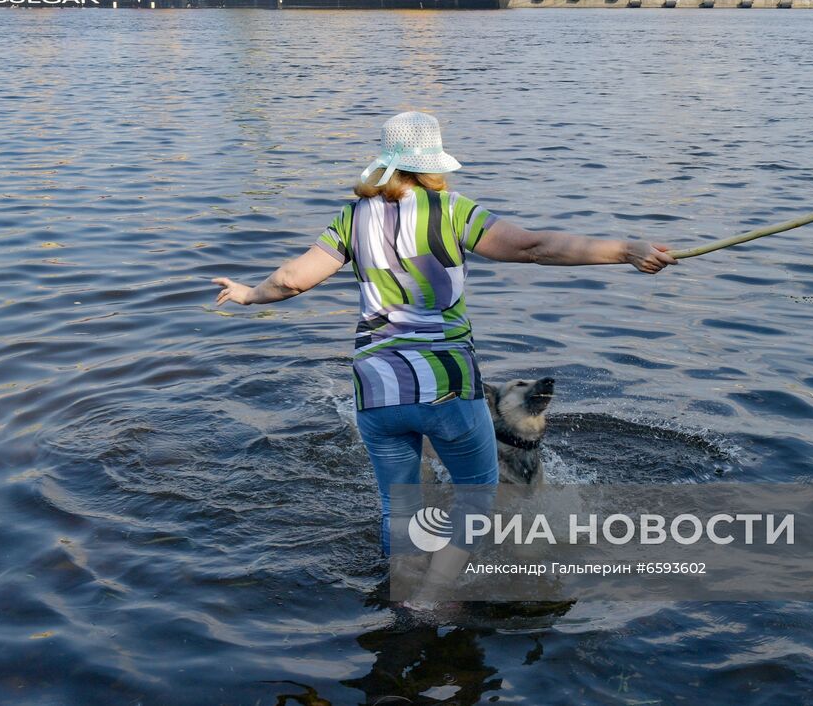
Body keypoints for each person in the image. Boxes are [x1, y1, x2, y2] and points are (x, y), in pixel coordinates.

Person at [211, 112, 674, 600]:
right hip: (445, 383)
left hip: (377, 387)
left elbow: (290, 280)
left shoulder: (352, 218)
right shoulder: (452, 211)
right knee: (476, 494)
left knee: (400, 507)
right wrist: (624, 249)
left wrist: (246, 295)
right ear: (433, 164)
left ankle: (403, 598)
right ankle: (434, 600)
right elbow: (536, 248)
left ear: (388, 163)